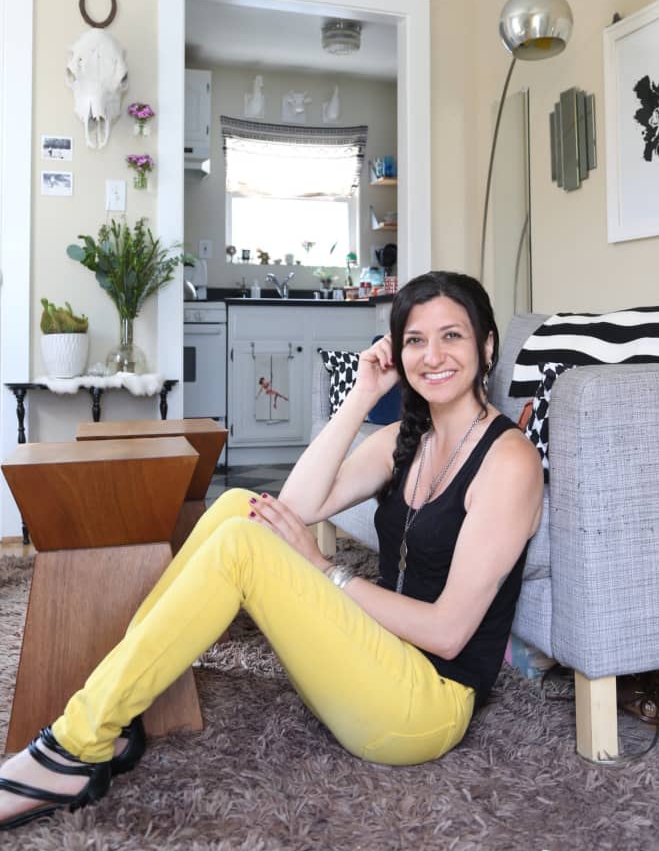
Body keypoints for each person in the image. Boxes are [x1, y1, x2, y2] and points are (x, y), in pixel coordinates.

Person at [0, 271, 543, 832]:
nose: (433, 355)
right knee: (242, 506)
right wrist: (363, 395)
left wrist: (324, 569)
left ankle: (73, 747)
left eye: (452, 336)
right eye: (415, 340)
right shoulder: (407, 439)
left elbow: (449, 632)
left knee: (242, 544)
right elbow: (297, 504)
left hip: (424, 707)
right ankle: (115, 705)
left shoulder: (508, 461)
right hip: (374, 655)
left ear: (487, 345)